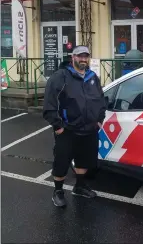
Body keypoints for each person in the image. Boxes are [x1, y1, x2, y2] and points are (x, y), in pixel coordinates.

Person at [43, 45, 106, 208]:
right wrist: (58, 126)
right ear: (73, 57)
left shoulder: (93, 77)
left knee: (84, 160)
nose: (83, 59)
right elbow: (50, 103)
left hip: (89, 128)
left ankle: (79, 186)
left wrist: (100, 119)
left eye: (86, 56)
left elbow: (101, 99)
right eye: (80, 56)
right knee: (62, 162)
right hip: (67, 129)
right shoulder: (60, 77)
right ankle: (58, 191)